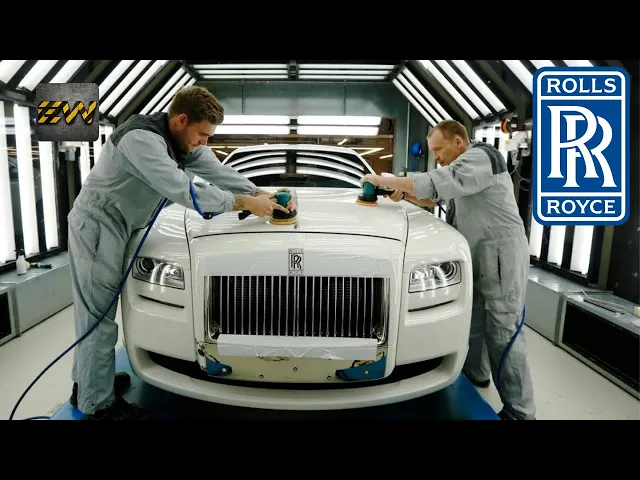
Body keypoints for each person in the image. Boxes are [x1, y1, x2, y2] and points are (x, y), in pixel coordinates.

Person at [67, 85, 295, 420]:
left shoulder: (183, 143)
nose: (205, 142)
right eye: (202, 134)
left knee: (97, 313)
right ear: (182, 120)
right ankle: (99, 406)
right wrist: (244, 203)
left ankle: (89, 385)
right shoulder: (140, 139)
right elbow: (183, 189)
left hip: (123, 226)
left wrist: (260, 193)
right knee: (97, 317)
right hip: (100, 226)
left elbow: (219, 172)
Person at [360, 119, 535, 420]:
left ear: (458, 141)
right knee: (474, 319)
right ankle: (476, 373)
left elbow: (440, 181)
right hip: (478, 254)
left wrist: (385, 180)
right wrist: (403, 194)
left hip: (500, 256)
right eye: (433, 152)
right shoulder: (463, 172)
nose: (437, 157)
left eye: (439, 150)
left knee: (503, 329)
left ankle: (521, 411)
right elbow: (436, 196)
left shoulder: (482, 157)